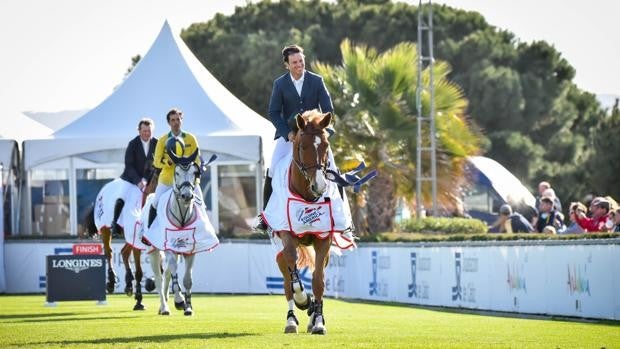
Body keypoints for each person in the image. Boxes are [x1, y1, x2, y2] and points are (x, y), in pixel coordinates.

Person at [254, 44, 336, 231]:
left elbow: (328, 109)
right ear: (287, 65)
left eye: (301, 61)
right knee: (273, 168)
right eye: (295, 62)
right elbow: (273, 112)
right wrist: (287, 132)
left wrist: (324, 132)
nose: (299, 65)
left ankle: (339, 217)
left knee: (332, 167)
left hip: (314, 135)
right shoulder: (280, 84)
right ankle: (265, 217)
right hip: (290, 136)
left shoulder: (316, 80)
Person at [147, 108, 202, 228]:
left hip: (188, 181)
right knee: (155, 203)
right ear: (169, 122)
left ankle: (206, 234)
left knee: (201, 204)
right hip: (167, 179)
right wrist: (168, 162)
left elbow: (197, 160)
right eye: (173, 120)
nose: (176, 122)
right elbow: (156, 162)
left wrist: (196, 177)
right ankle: (148, 233)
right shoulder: (162, 140)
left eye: (178, 119)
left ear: (181, 120)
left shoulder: (191, 138)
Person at [111, 118, 158, 236]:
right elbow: (129, 165)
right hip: (131, 178)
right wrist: (138, 181)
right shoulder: (133, 144)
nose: (147, 133)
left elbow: (156, 164)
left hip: (149, 179)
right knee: (122, 195)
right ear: (139, 131)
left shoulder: (157, 144)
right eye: (144, 131)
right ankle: (115, 223)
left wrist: (147, 179)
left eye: (149, 131)